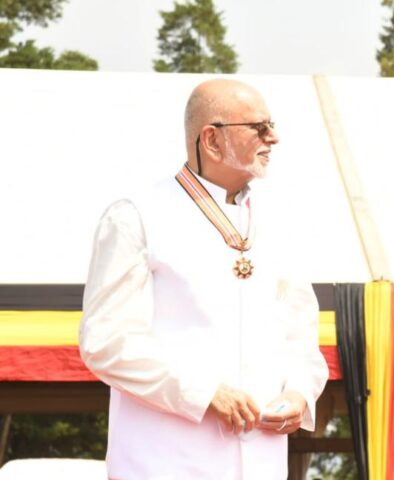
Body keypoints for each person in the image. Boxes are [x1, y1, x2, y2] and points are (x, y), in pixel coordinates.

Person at [79, 79, 328, 479]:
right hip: (166, 463)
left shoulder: (280, 222)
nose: (273, 138)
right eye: (259, 127)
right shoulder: (137, 215)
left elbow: (301, 340)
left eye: (272, 125)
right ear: (211, 140)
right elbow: (106, 342)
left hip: (262, 464)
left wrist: (300, 392)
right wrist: (203, 393)